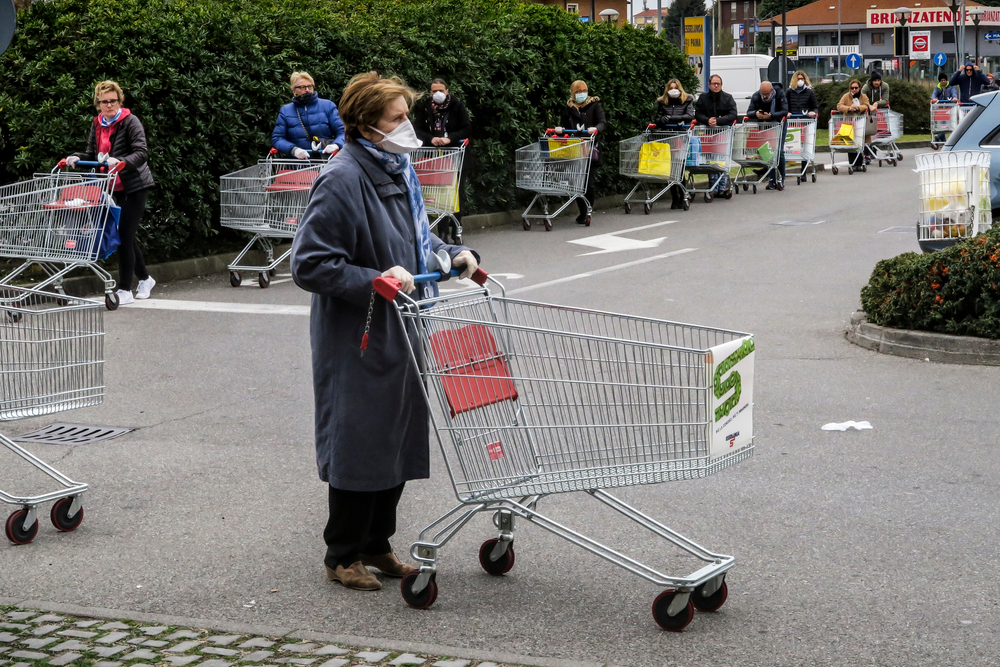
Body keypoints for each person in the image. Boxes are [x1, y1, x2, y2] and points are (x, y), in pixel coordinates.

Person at [290, 71, 481, 592]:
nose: (407, 125)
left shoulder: (396, 167)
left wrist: (450, 253)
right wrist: (374, 280)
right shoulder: (343, 177)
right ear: (365, 124)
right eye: (397, 118)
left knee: (393, 436)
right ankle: (341, 553)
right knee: (359, 440)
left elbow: (417, 240)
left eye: (406, 115)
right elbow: (310, 264)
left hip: (404, 323)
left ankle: (377, 543)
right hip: (361, 331)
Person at [65, 80, 155, 306]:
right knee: (126, 235)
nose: (109, 105)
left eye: (113, 100)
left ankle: (125, 289)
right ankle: (145, 279)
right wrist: (76, 157)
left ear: (120, 100)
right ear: (98, 104)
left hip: (134, 186)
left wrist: (121, 161)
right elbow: (92, 153)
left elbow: (141, 152)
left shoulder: (130, 121)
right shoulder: (97, 123)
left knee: (124, 235)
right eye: (104, 102)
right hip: (111, 187)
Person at [412, 78, 473, 244]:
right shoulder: (426, 107)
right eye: (434, 91)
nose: (437, 93)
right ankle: (443, 232)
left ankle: (456, 230)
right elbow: (417, 129)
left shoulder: (457, 106)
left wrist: (449, 138)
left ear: (447, 91)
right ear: (430, 93)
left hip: (456, 156)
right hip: (435, 158)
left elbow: (466, 129)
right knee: (440, 194)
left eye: (440, 90)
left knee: (456, 193)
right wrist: (431, 139)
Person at [555, 80, 606, 225]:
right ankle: (583, 211)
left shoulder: (595, 106)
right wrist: (559, 130)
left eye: (584, 90)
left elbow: (602, 122)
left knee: (588, 184)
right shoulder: (569, 109)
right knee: (576, 183)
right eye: (578, 91)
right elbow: (564, 126)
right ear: (572, 93)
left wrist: (596, 129)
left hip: (590, 149)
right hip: (574, 150)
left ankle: (588, 210)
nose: (581, 93)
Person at [272, 72, 346, 159]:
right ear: (294, 91)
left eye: (310, 86)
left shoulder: (328, 106)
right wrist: (293, 149)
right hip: (298, 164)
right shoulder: (286, 111)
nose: (307, 90)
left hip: (326, 162)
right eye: (302, 87)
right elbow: (277, 138)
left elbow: (343, 132)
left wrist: (336, 145)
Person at [652, 79, 694, 208]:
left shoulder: (687, 100)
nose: (673, 91)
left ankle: (682, 196)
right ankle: (674, 198)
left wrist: (672, 118)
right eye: (671, 88)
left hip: (680, 136)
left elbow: (689, 116)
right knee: (669, 170)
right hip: (667, 137)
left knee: (679, 168)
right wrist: (662, 120)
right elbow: (657, 118)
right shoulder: (663, 102)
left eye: (675, 88)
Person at [694, 74, 738, 194]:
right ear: (709, 85)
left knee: (722, 160)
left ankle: (722, 187)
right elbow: (698, 114)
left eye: (719, 84)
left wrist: (718, 121)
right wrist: (707, 120)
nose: (717, 86)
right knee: (710, 160)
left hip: (724, 133)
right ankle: (713, 186)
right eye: (714, 84)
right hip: (709, 133)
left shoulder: (728, 98)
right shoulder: (703, 98)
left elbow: (733, 114)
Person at [745, 81, 788, 190]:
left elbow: (784, 111)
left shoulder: (780, 94)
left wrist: (771, 115)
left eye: (767, 94)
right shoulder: (756, 96)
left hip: (779, 124)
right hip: (765, 125)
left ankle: (781, 178)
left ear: (772, 91)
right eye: (762, 94)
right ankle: (772, 179)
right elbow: (749, 111)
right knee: (768, 151)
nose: (764, 96)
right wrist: (756, 113)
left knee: (779, 151)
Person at [836, 80, 875, 168]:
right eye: (852, 88)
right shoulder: (846, 96)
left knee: (860, 143)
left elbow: (866, 105)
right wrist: (848, 108)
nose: (854, 90)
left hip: (860, 123)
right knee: (850, 143)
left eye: (856, 88)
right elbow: (839, 105)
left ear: (859, 88)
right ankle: (852, 163)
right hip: (849, 123)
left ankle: (859, 164)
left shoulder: (863, 96)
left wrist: (857, 108)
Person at [861, 71, 889, 163]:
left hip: (878, 110)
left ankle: (873, 150)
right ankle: (866, 153)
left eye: (878, 80)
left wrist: (877, 103)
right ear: (871, 81)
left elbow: (885, 99)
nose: (877, 82)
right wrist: (869, 106)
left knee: (878, 130)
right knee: (868, 132)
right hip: (867, 110)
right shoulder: (866, 88)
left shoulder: (885, 86)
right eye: (875, 81)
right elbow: (862, 99)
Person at [931, 73, 960, 144]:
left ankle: (938, 138)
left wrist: (954, 98)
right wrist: (933, 99)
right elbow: (934, 94)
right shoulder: (937, 87)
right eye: (941, 80)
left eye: (944, 80)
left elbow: (954, 93)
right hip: (940, 109)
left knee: (947, 125)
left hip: (949, 109)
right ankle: (943, 141)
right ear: (939, 81)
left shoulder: (951, 86)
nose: (943, 81)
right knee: (941, 126)